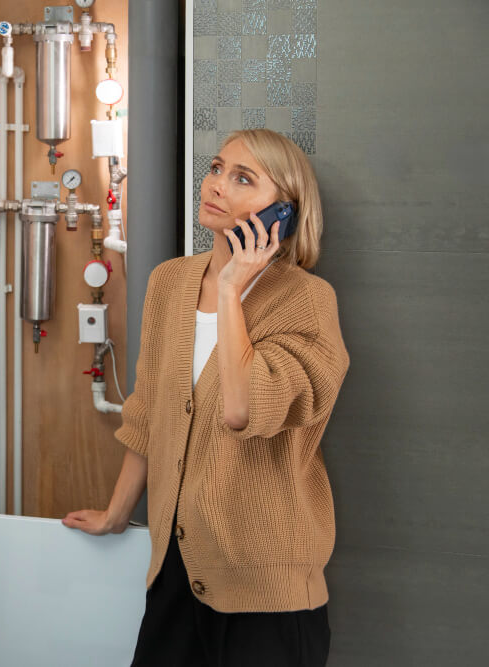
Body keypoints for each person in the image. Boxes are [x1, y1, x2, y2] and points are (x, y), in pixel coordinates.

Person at [63, 129, 350, 666]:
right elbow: (147, 415)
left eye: (243, 178)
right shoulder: (169, 282)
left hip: (267, 593)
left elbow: (243, 410)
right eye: (217, 168)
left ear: (282, 211)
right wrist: (115, 514)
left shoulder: (307, 301)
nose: (216, 184)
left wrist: (231, 290)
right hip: (174, 571)